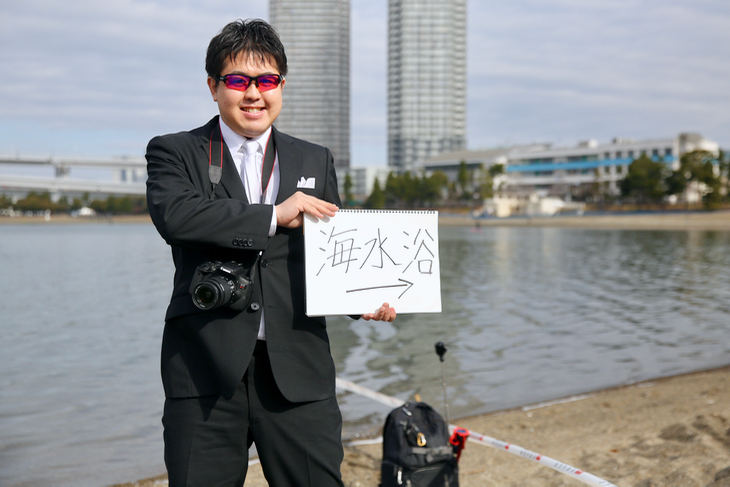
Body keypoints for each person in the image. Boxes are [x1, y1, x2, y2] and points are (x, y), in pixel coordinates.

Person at [145, 18, 396, 487]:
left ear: (282, 85)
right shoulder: (176, 151)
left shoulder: (313, 158)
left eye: (267, 81)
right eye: (238, 81)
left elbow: (327, 254)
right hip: (203, 373)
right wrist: (273, 216)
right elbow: (176, 218)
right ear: (213, 87)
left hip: (298, 371)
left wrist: (360, 299)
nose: (253, 94)